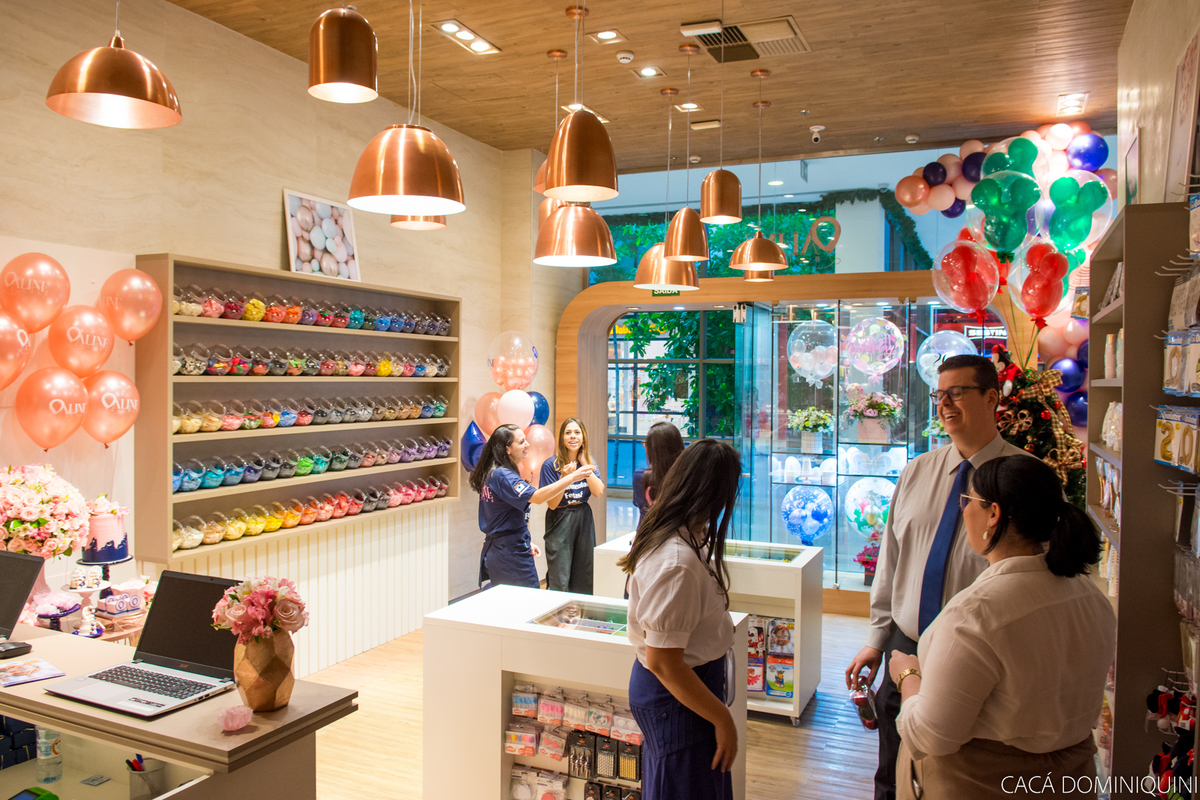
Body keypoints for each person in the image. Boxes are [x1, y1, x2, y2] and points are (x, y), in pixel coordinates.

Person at [844, 354, 1029, 800]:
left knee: (957, 776)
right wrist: (877, 639)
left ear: (991, 398)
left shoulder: (1025, 478)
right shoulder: (917, 472)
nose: (944, 404)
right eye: (938, 395)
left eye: (956, 393)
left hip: (978, 653)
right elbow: (891, 562)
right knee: (892, 774)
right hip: (905, 646)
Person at [888, 456, 1115, 799]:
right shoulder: (1090, 597)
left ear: (993, 514)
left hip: (982, 784)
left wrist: (908, 676)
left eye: (968, 501)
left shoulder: (975, 616)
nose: (963, 511)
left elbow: (930, 736)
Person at [618, 439, 741, 800]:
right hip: (677, 699)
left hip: (682, 693)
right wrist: (722, 718)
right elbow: (664, 662)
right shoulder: (676, 561)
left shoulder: (679, 539)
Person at [469, 424, 596, 589]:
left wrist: (524, 540)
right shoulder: (502, 474)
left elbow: (505, 515)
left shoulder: (498, 472)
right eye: (521, 442)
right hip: (508, 553)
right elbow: (537, 497)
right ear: (507, 449)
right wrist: (570, 478)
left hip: (509, 547)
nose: (527, 445)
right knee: (529, 600)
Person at [540, 417, 606, 594]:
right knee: (560, 575)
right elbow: (552, 504)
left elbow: (598, 492)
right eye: (568, 433)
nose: (573, 436)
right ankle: (558, 611)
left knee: (585, 572)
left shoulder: (589, 462)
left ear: (583, 437)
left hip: (583, 516)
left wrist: (585, 465)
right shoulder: (551, 465)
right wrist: (565, 477)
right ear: (562, 438)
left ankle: (581, 611)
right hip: (560, 519)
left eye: (577, 432)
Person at [631, 421, 686, 523]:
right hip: (679, 530)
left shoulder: (640, 476)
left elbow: (638, 503)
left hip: (647, 531)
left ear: (653, 449)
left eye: (646, 444)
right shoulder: (688, 476)